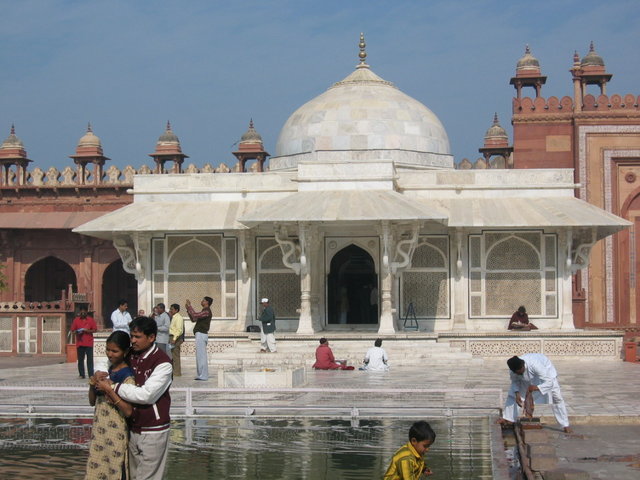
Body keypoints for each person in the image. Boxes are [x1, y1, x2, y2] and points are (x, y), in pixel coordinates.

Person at [98, 316, 173, 480]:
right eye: (132, 336)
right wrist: (100, 373)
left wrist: (113, 387)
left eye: (138, 337)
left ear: (151, 337)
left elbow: (146, 395)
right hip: (132, 428)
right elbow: (108, 360)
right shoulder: (131, 354)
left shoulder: (162, 363)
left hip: (153, 429)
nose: (133, 340)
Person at [86, 331, 135, 480]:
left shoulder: (127, 376)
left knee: (114, 469)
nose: (110, 354)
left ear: (125, 352)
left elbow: (128, 411)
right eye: (108, 350)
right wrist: (93, 383)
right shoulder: (106, 371)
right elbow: (91, 401)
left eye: (115, 351)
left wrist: (109, 390)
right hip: (99, 431)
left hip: (116, 432)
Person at [499, 354, 572, 433]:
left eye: (520, 372)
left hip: (547, 374)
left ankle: (565, 424)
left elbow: (549, 382)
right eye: (517, 373)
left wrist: (536, 388)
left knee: (557, 398)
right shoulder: (513, 371)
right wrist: (517, 393)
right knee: (512, 395)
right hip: (526, 379)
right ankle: (507, 418)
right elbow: (515, 382)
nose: (519, 374)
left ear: (523, 366)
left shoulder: (535, 365)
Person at [186, 296, 213, 381]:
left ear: (207, 302)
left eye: (203, 300)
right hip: (199, 334)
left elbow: (195, 315)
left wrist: (190, 306)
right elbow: (194, 319)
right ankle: (200, 374)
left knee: (201, 356)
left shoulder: (207, 311)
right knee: (199, 356)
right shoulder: (204, 311)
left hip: (201, 334)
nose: (202, 301)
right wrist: (188, 310)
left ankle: (203, 375)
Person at [71, 307, 97, 379]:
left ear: (86, 312)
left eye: (84, 313)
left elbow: (95, 330)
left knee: (90, 360)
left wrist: (87, 331)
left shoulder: (91, 320)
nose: (82, 314)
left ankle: (91, 374)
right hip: (80, 343)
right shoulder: (76, 320)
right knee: (80, 360)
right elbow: (72, 331)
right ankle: (82, 374)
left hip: (89, 343)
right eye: (81, 313)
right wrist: (77, 331)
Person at [168, 303, 185, 376]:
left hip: (176, 338)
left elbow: (179, 330)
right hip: (172, 337)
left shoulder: (178, 318)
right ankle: (174, 371)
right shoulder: (174, 317)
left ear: (176, 310)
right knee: (173, 355)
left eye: (172, 309)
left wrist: (174, 339)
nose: (170, 310)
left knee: (176, 356)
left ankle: (177, 372)